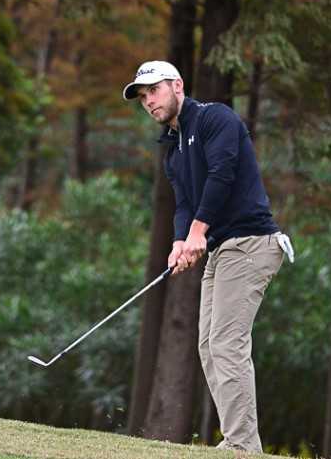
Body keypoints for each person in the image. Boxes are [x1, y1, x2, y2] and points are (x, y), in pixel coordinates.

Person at [123, 60, 294, 453]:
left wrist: (198, 232)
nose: (149, 101)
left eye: (155, 90)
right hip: (223, 249)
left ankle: (242, 447)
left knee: (226, 344)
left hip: (251, 243)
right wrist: (180, 242)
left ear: (177, 85)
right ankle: (238, 441)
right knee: (208, 346)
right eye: (143, 96)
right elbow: (185, 203)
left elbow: (223, 173)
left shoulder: (216, 119)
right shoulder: (173, 150)